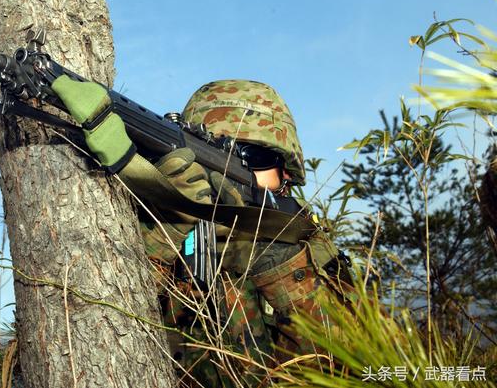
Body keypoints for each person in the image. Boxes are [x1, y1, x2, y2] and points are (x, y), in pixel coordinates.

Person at [51, 77, 353, 386]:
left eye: (255, 157)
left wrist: (280, 265)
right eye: (220, 153)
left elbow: (352, 362)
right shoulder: (140, 224)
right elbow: (98, 335)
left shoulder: (306, 248)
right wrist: (162, 236)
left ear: (285, 175)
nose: (230, 170)